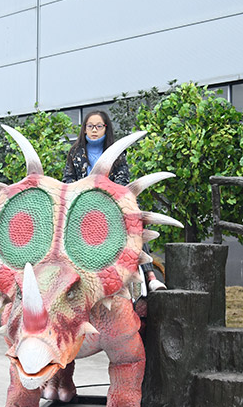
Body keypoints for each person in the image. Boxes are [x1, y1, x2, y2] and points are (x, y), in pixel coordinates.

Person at [63, 110, 166, 292]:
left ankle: (150, 276)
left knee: (135, 220)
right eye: (90, 126)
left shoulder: (117, 152)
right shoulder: (75, 153)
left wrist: (107, 196)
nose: (94, 130)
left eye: (99, 126)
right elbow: (68, 180)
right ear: (84, 129)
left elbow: (122, 181)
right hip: (82, 204)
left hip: (111, 202)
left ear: (106, 128)